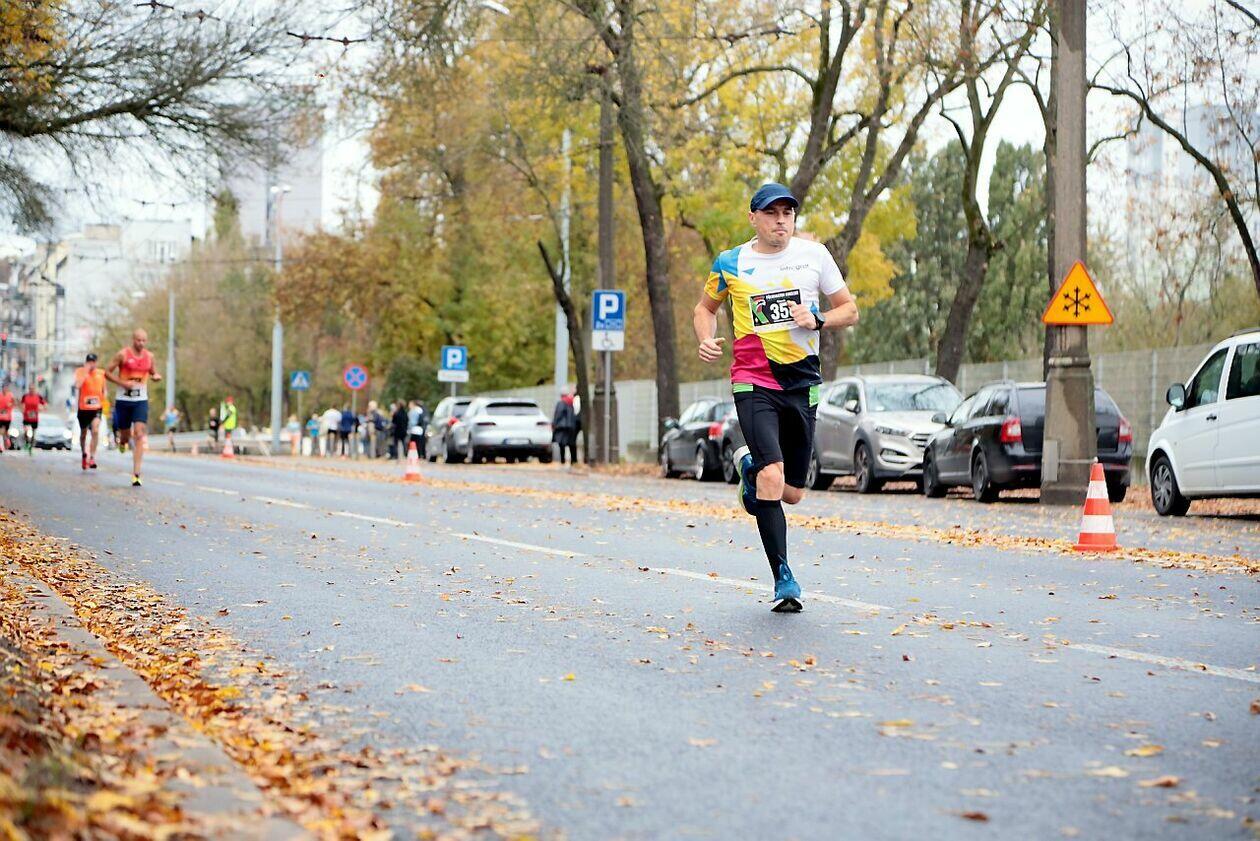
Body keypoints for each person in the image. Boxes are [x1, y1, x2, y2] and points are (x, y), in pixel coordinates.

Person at [693, 183, 858, 613]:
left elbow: (850, 309)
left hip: (802, 383)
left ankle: (748, 469)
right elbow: (705, 308)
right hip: (753, 380)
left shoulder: (814, 256)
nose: (780, 220)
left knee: (792, 492)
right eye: (771, 213)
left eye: (787, 212)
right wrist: (706, 338)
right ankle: (783, 577)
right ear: (754, 218)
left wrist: (818, 319)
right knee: (772, 476)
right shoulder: (730, 262)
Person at [103, 328, 163, 486]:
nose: (141, 343)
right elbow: (106, 373)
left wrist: (155, 376)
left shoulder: (149, 356)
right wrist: (122, 383)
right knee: (125, 435)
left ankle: (136, 474)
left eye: (144, 340)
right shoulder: (123, 355)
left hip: (140, 400)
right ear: (133, 340)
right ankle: (122, 442)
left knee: (139, 433)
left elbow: (152, 372)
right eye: (138, 340)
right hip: (123, 400)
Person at [74, 353, 107, 468]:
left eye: (93, 362)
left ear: (96, 362)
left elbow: (104, 389)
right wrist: (85, 372)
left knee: (95, 430)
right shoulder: (80, 371)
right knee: (83, 433)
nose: (91, 364)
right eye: (89, 362)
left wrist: (104, 399)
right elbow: (77, 385)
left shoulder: (101, 373)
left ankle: (92, 457)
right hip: (83, 408)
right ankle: (84, 454)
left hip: (96, 408)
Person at [552, 391, 579, 465]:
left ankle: (562, 461)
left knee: (562, 444)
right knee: (571, 444)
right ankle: (573, 461)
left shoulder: (561, 403)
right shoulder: (571, 403)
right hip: (571, 426)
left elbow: (558, 414)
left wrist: (554, 424)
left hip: (562, 427)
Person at [20, 382, 46, 454]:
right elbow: (21, 404)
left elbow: (44, 404)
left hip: (34, 417)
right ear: (29, 389)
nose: (31, 390)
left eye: (33, 389)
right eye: (30, 388)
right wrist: (22, 410)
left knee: (33, 433)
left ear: (35, 389)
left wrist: (41, 408)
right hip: (26, 417)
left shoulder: (38, 396)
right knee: (25, 431)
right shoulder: (25, 396)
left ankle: (31, 447)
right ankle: (27, 443)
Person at [0, 381, 13, 453]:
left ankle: (7, 441)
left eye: (6, 388)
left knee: (5, 432)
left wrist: (10, 405)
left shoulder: (10, 396)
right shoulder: (0, 395)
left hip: (7, 417)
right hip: (0, 417)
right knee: (1, 431)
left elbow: (14, 403)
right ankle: (1, 446)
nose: (5, 389)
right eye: (3, 388)